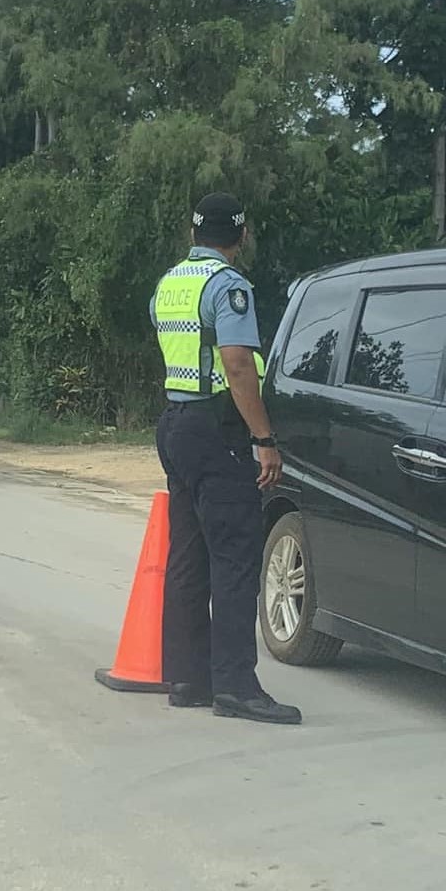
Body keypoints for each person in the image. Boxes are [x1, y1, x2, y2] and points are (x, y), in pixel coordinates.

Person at [150, 191, 301, 725]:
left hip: (176, 423)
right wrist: (264, 438)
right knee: (235, 558)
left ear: (193, 233)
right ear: (240, 235)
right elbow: (237, 366)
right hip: (218, 429)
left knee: (188, 555)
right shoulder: (228, 286)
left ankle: (189, 677)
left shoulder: (170, 283)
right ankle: (236, 686)